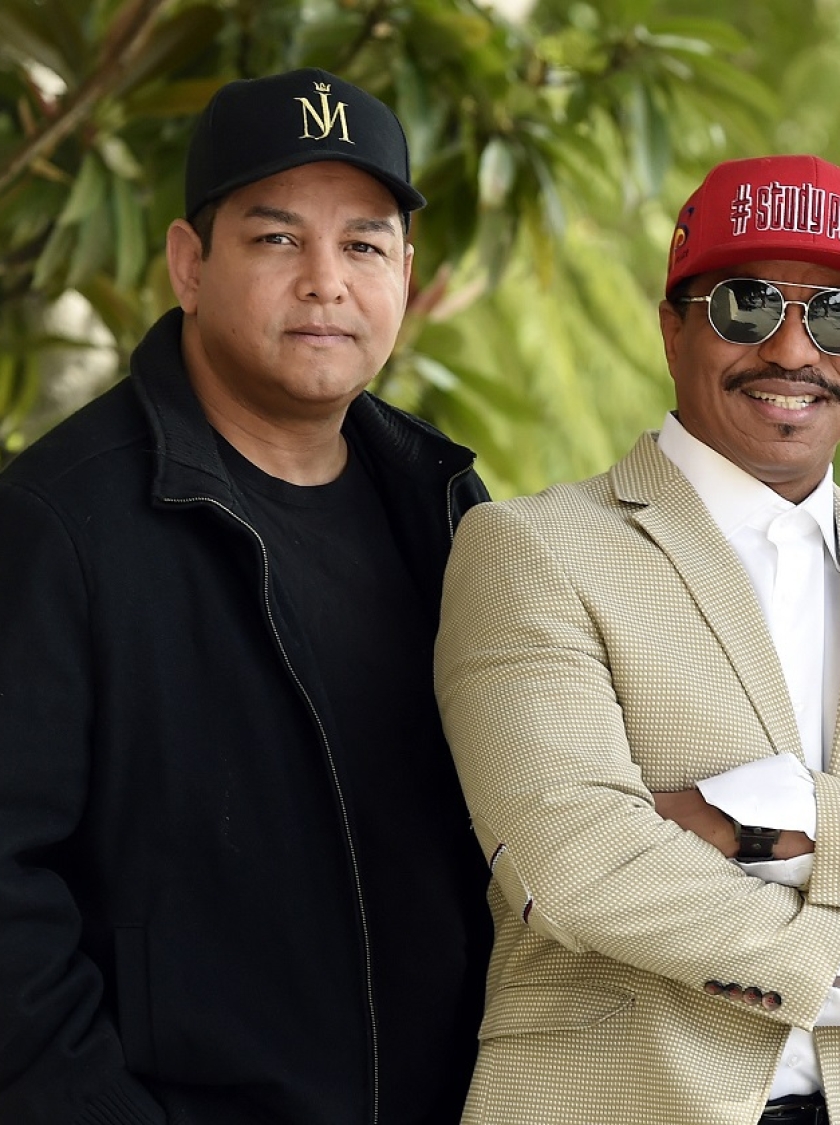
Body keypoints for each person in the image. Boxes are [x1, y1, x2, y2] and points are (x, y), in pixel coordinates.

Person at [435, 153, 840, 1125]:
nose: (792, 349)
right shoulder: (530, 549)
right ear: (671, 326)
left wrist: (767, 821)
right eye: (746, 304)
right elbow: (578, 865)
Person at [0, 69, 491, 1123]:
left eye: (363, 244)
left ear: (406, 272)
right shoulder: (59, 527)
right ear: (189, 263)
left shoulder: (446, 510)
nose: (326, 281)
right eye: (276, 238)